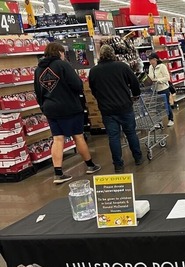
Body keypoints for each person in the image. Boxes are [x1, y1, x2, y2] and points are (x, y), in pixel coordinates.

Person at [33, 42, 100, 184]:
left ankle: (58, 173)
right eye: (63, 52)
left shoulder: (38, 70)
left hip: (50, 109)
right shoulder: (63, 65)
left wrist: (44, 107)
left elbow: (38, 92)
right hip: (69, 107)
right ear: (59, 52)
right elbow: (77, 84)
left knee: (57, 139)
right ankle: (90, 165)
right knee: (78, 136)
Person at [88, 45, 143, 173]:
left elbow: (93, 89)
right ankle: (138, 157)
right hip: (124, 106)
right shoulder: (122, 66)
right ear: (113, 54)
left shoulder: (94, 71)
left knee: (113, 137)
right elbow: (134, 82)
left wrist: (101, 99)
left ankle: (118, 164)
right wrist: (135, 94)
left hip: (107, 110)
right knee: (131, 133)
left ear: (100, 55)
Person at [147, 53, 174, 127]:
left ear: (155, 59)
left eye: (151, 60)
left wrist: (158, 80)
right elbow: (150, 76)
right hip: (155, 89)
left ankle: (171, 119)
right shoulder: (150, 67)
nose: (150, 61)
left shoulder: (162, 66)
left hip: (163, 88)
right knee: (157, 106)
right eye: (149, 60)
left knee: (166, 105)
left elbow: (167, 77)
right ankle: (159, 122)